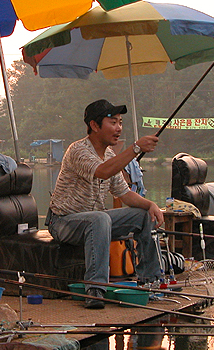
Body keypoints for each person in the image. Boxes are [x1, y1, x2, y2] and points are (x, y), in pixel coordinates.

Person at [47, 99, 165, 309]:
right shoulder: (78, 151)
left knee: (142, 215)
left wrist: (150, 205)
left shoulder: (110, 155)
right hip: (64, 222)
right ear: (94, 125)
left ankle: (151, 282)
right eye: (113, 122)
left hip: (96, 223)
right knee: (100, 218)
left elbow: (124, 193)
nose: (118, 128)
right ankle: (95, 289)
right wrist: (136, 148)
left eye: (120, 122)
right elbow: (102, 171)